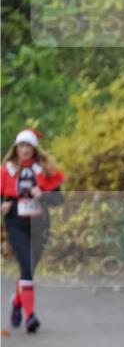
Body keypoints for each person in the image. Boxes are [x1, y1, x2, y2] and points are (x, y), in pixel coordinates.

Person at [1, 128, 65, 333]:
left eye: (28, 146)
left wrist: (42, 195)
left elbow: (58, 200)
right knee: (26, 265)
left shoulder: (44, 171)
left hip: (40, 224)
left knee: (28, 269)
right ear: (16, 148)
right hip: (15, 223)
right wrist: (3, 205)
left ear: (34, 149)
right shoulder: (6, 170)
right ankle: (31, 316)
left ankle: (18, 302)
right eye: (21, 146)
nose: (25, 150)